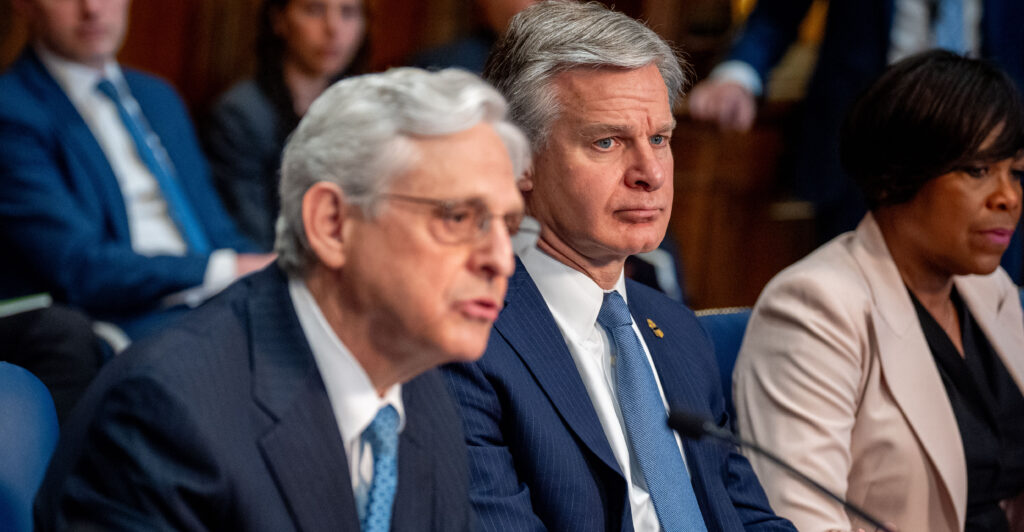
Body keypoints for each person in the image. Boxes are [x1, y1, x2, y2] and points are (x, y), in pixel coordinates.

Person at [33, 66, 531, 530]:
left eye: (507, 226)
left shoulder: (427, 399)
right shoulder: (170, 411)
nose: (500, 260)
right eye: (459, 219)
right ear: (333, 224)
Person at [441, 3, 796, 531]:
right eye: (607, 141)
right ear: (519, 162)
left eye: (659, 139)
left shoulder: (676, 331)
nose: (650, 173)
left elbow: (749, 518)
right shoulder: (465, 340)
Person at [733, 50, 1024, 532]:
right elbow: (802, 518)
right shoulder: (816, 306)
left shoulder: (990, 290)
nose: (1008, 196)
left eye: (1015, 172)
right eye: (977, 170)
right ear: (898, 174)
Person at [687, 0, 1024, 281]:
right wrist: (739, 75)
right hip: (863, 156)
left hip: (992, 150)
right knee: (853, 290)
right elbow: (777, 13)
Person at [0, 0, 274, 340]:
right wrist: (223, 269)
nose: (92, 9)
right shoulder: (12, 111)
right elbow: (79, 267)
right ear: (24, 5)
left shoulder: (158, 96)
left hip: (218, 299)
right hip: (131, 320)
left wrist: (275, 268)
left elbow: (216, 229)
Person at [205, 0, 368, 250]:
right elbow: (252, 237)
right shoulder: (242, 113)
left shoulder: (365, 110)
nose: (333, 28)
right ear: (279, 20)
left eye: (348, 12)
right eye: (314, 10)